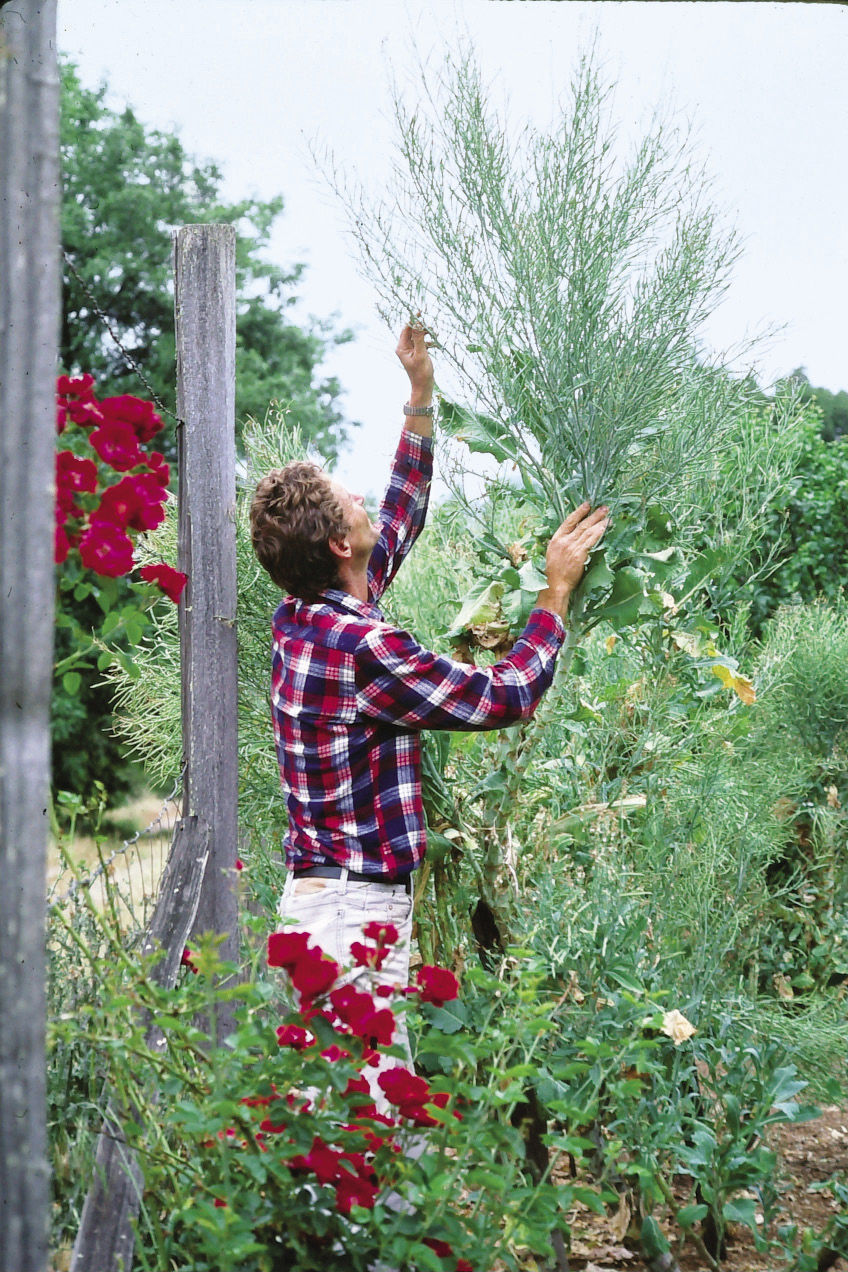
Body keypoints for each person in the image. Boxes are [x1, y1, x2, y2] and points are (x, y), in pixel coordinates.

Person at [249, 324, 608, 1064]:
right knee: (368, 1126)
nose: (361, 496)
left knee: (348, 1124)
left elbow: (399, 518)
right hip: (351, 912)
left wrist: (420, 394)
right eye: (348, 498)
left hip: (325, 903)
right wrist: (555, 593)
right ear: (340, 548)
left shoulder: (306, 615)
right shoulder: (364, 648)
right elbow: (502, 696)